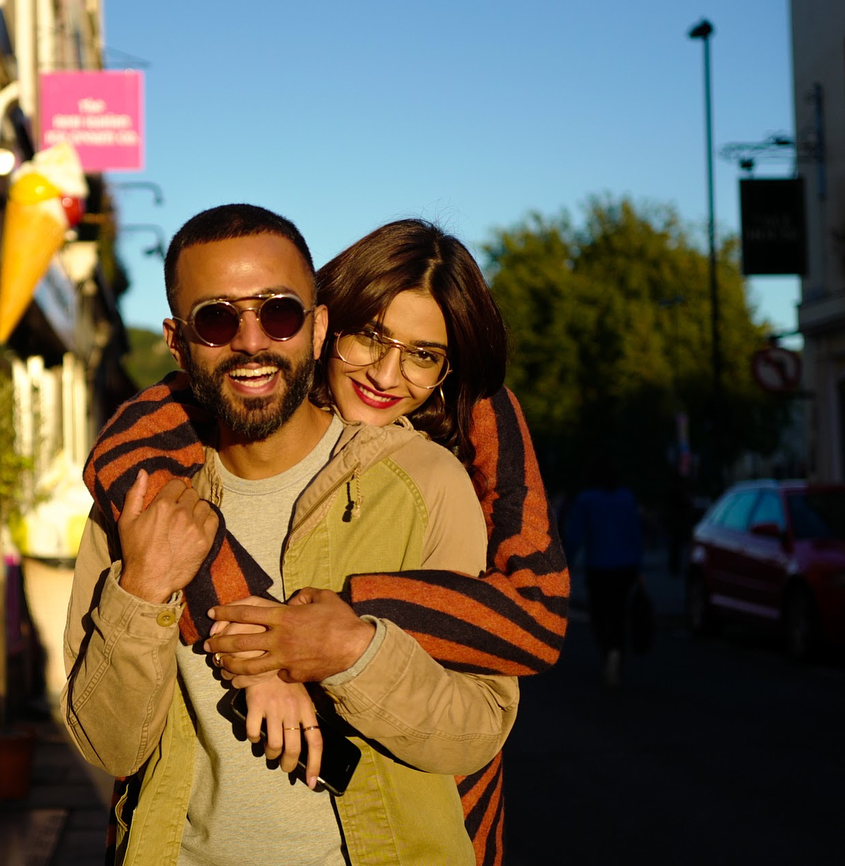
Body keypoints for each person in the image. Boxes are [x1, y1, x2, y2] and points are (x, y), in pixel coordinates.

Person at [79, 218, 569, 864]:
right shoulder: (150, 478)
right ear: (331, 326)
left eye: (423, 354)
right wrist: (149, 591)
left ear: (310, 323)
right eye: (370, 337)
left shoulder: (439, 473)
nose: (387, 375)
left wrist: (350, 646)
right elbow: (109, 744)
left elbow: (517, 647)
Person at [563, 455, 644, 687]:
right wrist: (638, 567)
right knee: (619, 615)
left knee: (600, 615)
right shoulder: (626, 497)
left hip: (599, 566)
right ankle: (617, 653)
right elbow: (635, 534)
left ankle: (607, 651)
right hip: (626, 567)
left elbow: (574, 536)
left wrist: (565, 564)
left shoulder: (586, 499)